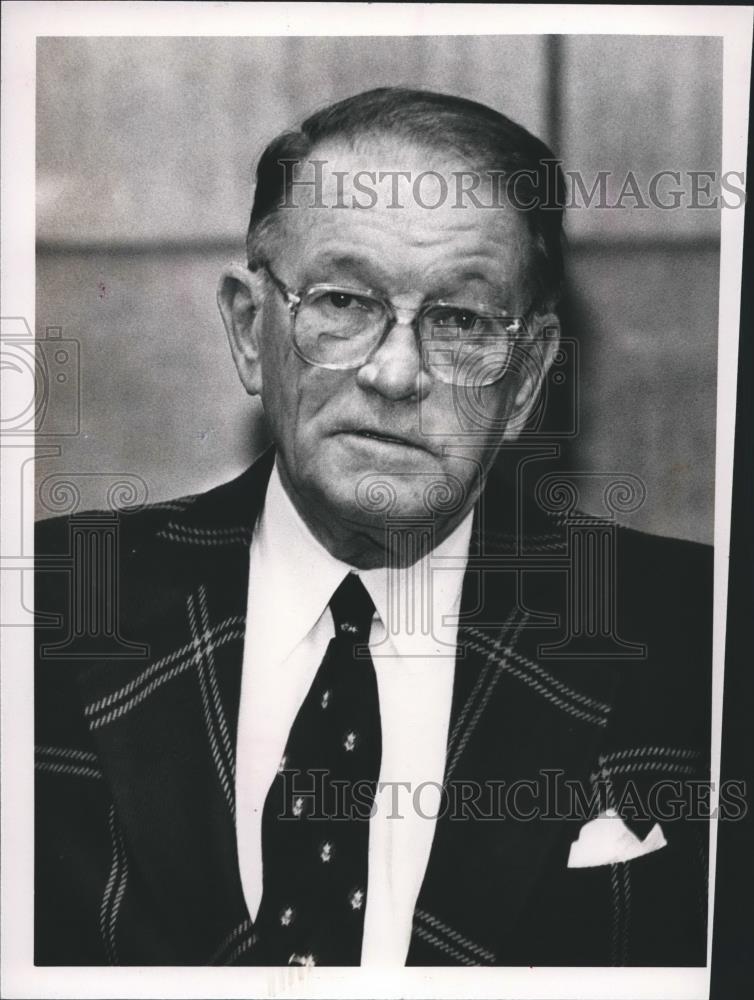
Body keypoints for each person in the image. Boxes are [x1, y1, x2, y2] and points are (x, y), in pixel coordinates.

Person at [34, 87, 712, 967]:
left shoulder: (697, 634)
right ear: (249, 329)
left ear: (529, 375)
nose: (396, 374)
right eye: (345, 302)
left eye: (461, 319)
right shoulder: (50, 605)